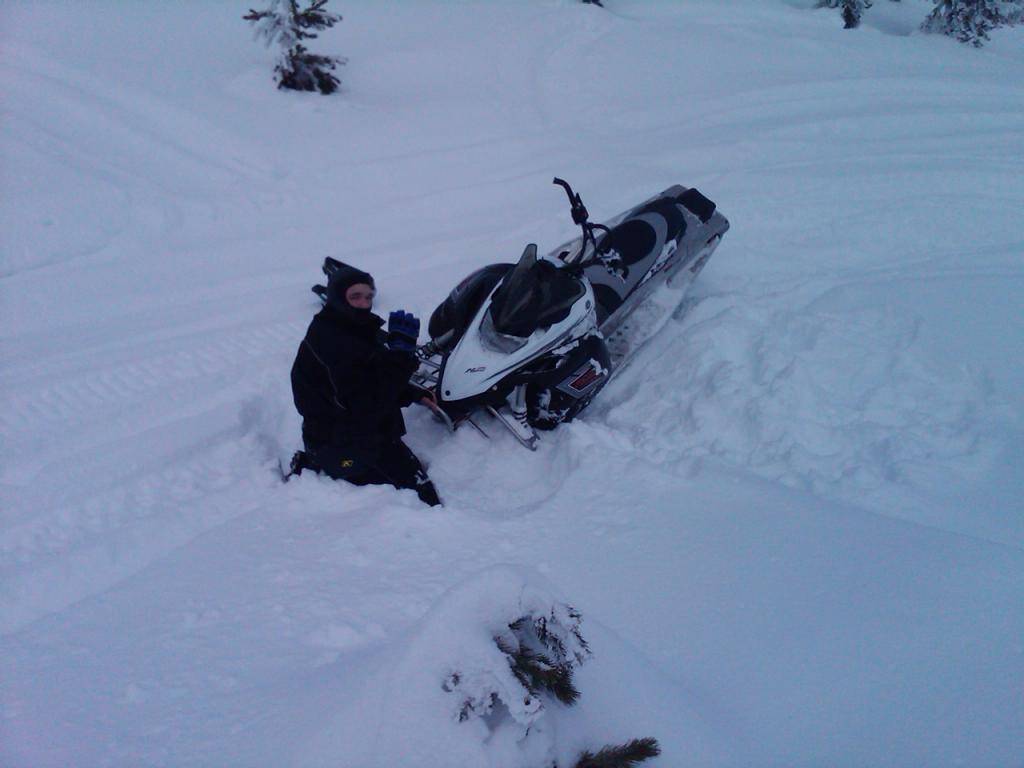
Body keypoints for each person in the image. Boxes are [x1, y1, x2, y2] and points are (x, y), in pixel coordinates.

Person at [290, 263, 442, 506]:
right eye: (355, 297)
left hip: (361, 430)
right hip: (342, 441)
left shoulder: (351, 327)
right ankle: (317, 464)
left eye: (369, 296)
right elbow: (365, 405)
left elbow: (371, 376)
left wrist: (411, 393)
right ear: (338, 298)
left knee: (420, 488)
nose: (364, 303)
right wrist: (401, 361)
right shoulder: (331, 341)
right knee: (424, 500)